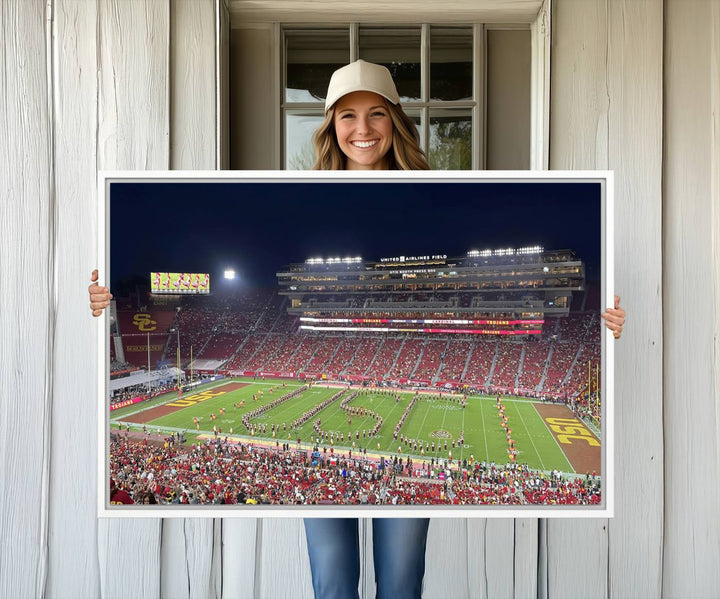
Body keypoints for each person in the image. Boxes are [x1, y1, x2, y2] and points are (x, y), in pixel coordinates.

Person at [88, 59, 627, 599]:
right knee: (333, 585)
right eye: (347, 116)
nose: (362, 129)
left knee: (399, 584)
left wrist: (606, 324)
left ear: (396, 120)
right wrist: (103, 306)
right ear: (330, 126)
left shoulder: (437, 187)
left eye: (376, 114)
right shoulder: (303, 191)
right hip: (331, 428)